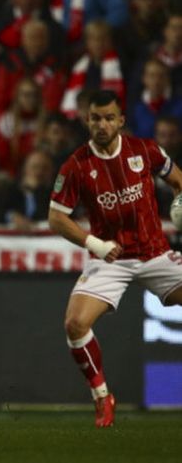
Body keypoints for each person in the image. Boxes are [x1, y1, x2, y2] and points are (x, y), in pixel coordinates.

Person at [48, 90, 182, 427]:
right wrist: (94, 243)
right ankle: (102, 397)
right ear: (87, 120)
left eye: (109, 118)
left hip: (155, 253)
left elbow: (179, 181)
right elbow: (56, 217)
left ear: (121, 120)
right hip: (110, 258)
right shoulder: (77, 165)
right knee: (75, 324)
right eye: (96, 118)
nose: (102, 125)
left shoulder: (145, 150)